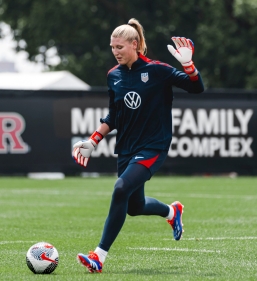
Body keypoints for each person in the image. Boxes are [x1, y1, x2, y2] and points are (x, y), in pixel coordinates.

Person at [72, 18, 204, 273]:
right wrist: (93, 140)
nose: (115, 52)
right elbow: (114, 116)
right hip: (126, 148)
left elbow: (196, 87)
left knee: (120, 189)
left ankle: (98, 256)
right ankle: (171, 211)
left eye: (119, 47)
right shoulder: (114, 76)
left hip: (154, 146)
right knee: (134, 207)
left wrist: (188, 64)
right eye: (112, 47)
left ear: (135, 44)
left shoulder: (157, 70)